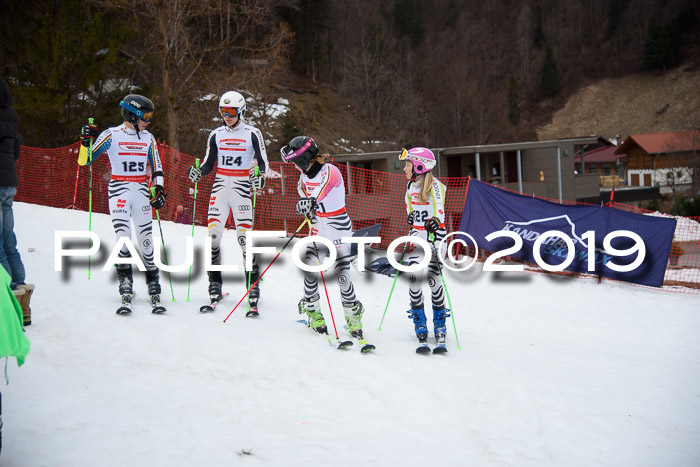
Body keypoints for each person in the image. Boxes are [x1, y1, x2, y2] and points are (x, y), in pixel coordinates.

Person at [79, 94, 167, 314]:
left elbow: (156, 166)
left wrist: (159, 188)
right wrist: (84, 142)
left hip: (140, 191)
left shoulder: (148, 138)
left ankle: (153, 283)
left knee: (146, 239)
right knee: (123, 238)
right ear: (132, 114)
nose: (149, 121)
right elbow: (85, 160)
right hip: (118, 189)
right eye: (145, 116)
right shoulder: (112, 134)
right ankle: (125, 283)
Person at [186, 91, 268, 314]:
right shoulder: (216, 134)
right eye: (223, 112)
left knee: (244, 239)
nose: (227, 116)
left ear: (241, 111)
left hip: (242, 187)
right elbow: (208, 163)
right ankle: (215, 283)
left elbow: (263, 162)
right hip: (221, 185)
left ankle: (253, 285)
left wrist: (259, 178)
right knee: (213, 236)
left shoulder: (253, 133)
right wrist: (197, 173)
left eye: (231, 112)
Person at [280, 136, 368, 343]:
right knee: (311, 268)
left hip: (338, 227)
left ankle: (354, 319)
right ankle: (313, 312)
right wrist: (306, 210)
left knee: (342, 273)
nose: (294, 166)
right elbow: (305, 198)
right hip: (319, 226)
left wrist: (311, 201)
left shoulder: (330, 171)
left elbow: (324, 189)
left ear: (304, 158)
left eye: (295, 161)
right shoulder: (302, 178)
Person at [399, 147, 450, 353]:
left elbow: (440, 211)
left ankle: (440, 325)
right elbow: (410, 209)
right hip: (417, 237)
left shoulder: (436, 186)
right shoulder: (410, 187)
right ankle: (420, 323)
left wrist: (435, 221)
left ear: (420, 166)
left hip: (435, 238)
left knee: (433, 280)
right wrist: (410, 218)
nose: (404, 169)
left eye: (408, 165)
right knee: (413, 279)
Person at [0, 77, 27, 291]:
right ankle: (21, 286)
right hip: (9, 182)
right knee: (9, 240)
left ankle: (8, 293)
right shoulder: (11, 114)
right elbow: (16, 150)